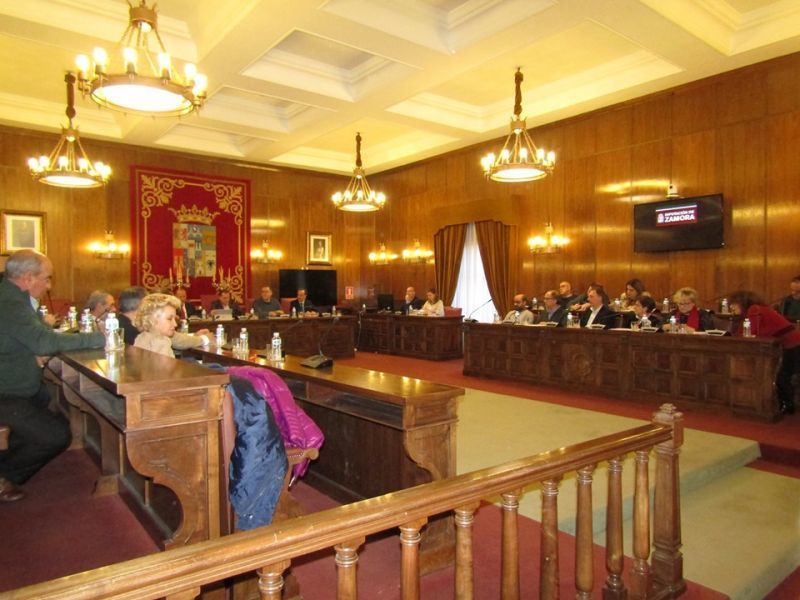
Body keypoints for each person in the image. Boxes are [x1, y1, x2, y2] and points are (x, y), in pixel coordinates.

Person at [0, 249, 104, 501]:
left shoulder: (15, 299)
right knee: (56, 436)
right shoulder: (10, 303)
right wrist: (99, 337)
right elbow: (45, 341)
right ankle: (4, 476)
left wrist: (31, 352)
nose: (48, 285)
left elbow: (39, 336)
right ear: (28, 277)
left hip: (19, 386)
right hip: (6, 391)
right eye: (46, 278)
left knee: (46, 399)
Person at [728, 290, 800, 414]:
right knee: (783, 376)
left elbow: (751, 331)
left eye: (733, 304)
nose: (731, 307)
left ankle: (787, 406)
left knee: (782, 376)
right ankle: (787, 405)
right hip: (791, 343)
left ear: (741, 302)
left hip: (792, 344)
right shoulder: (759, 309)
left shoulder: (754, 309)